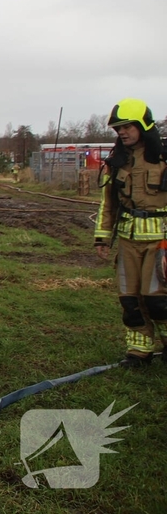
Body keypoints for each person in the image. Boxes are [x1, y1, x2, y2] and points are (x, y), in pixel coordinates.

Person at [94, 98, 167, 367]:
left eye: (126, 126)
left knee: (158, 301)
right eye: (117, 129)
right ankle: (139, 352)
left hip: (161, 242)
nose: (121, 132)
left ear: (143, 125)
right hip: (127, 241)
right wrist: (102, 238)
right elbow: (108, 204)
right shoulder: (117, 162)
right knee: (130, 300)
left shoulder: (163, 159)